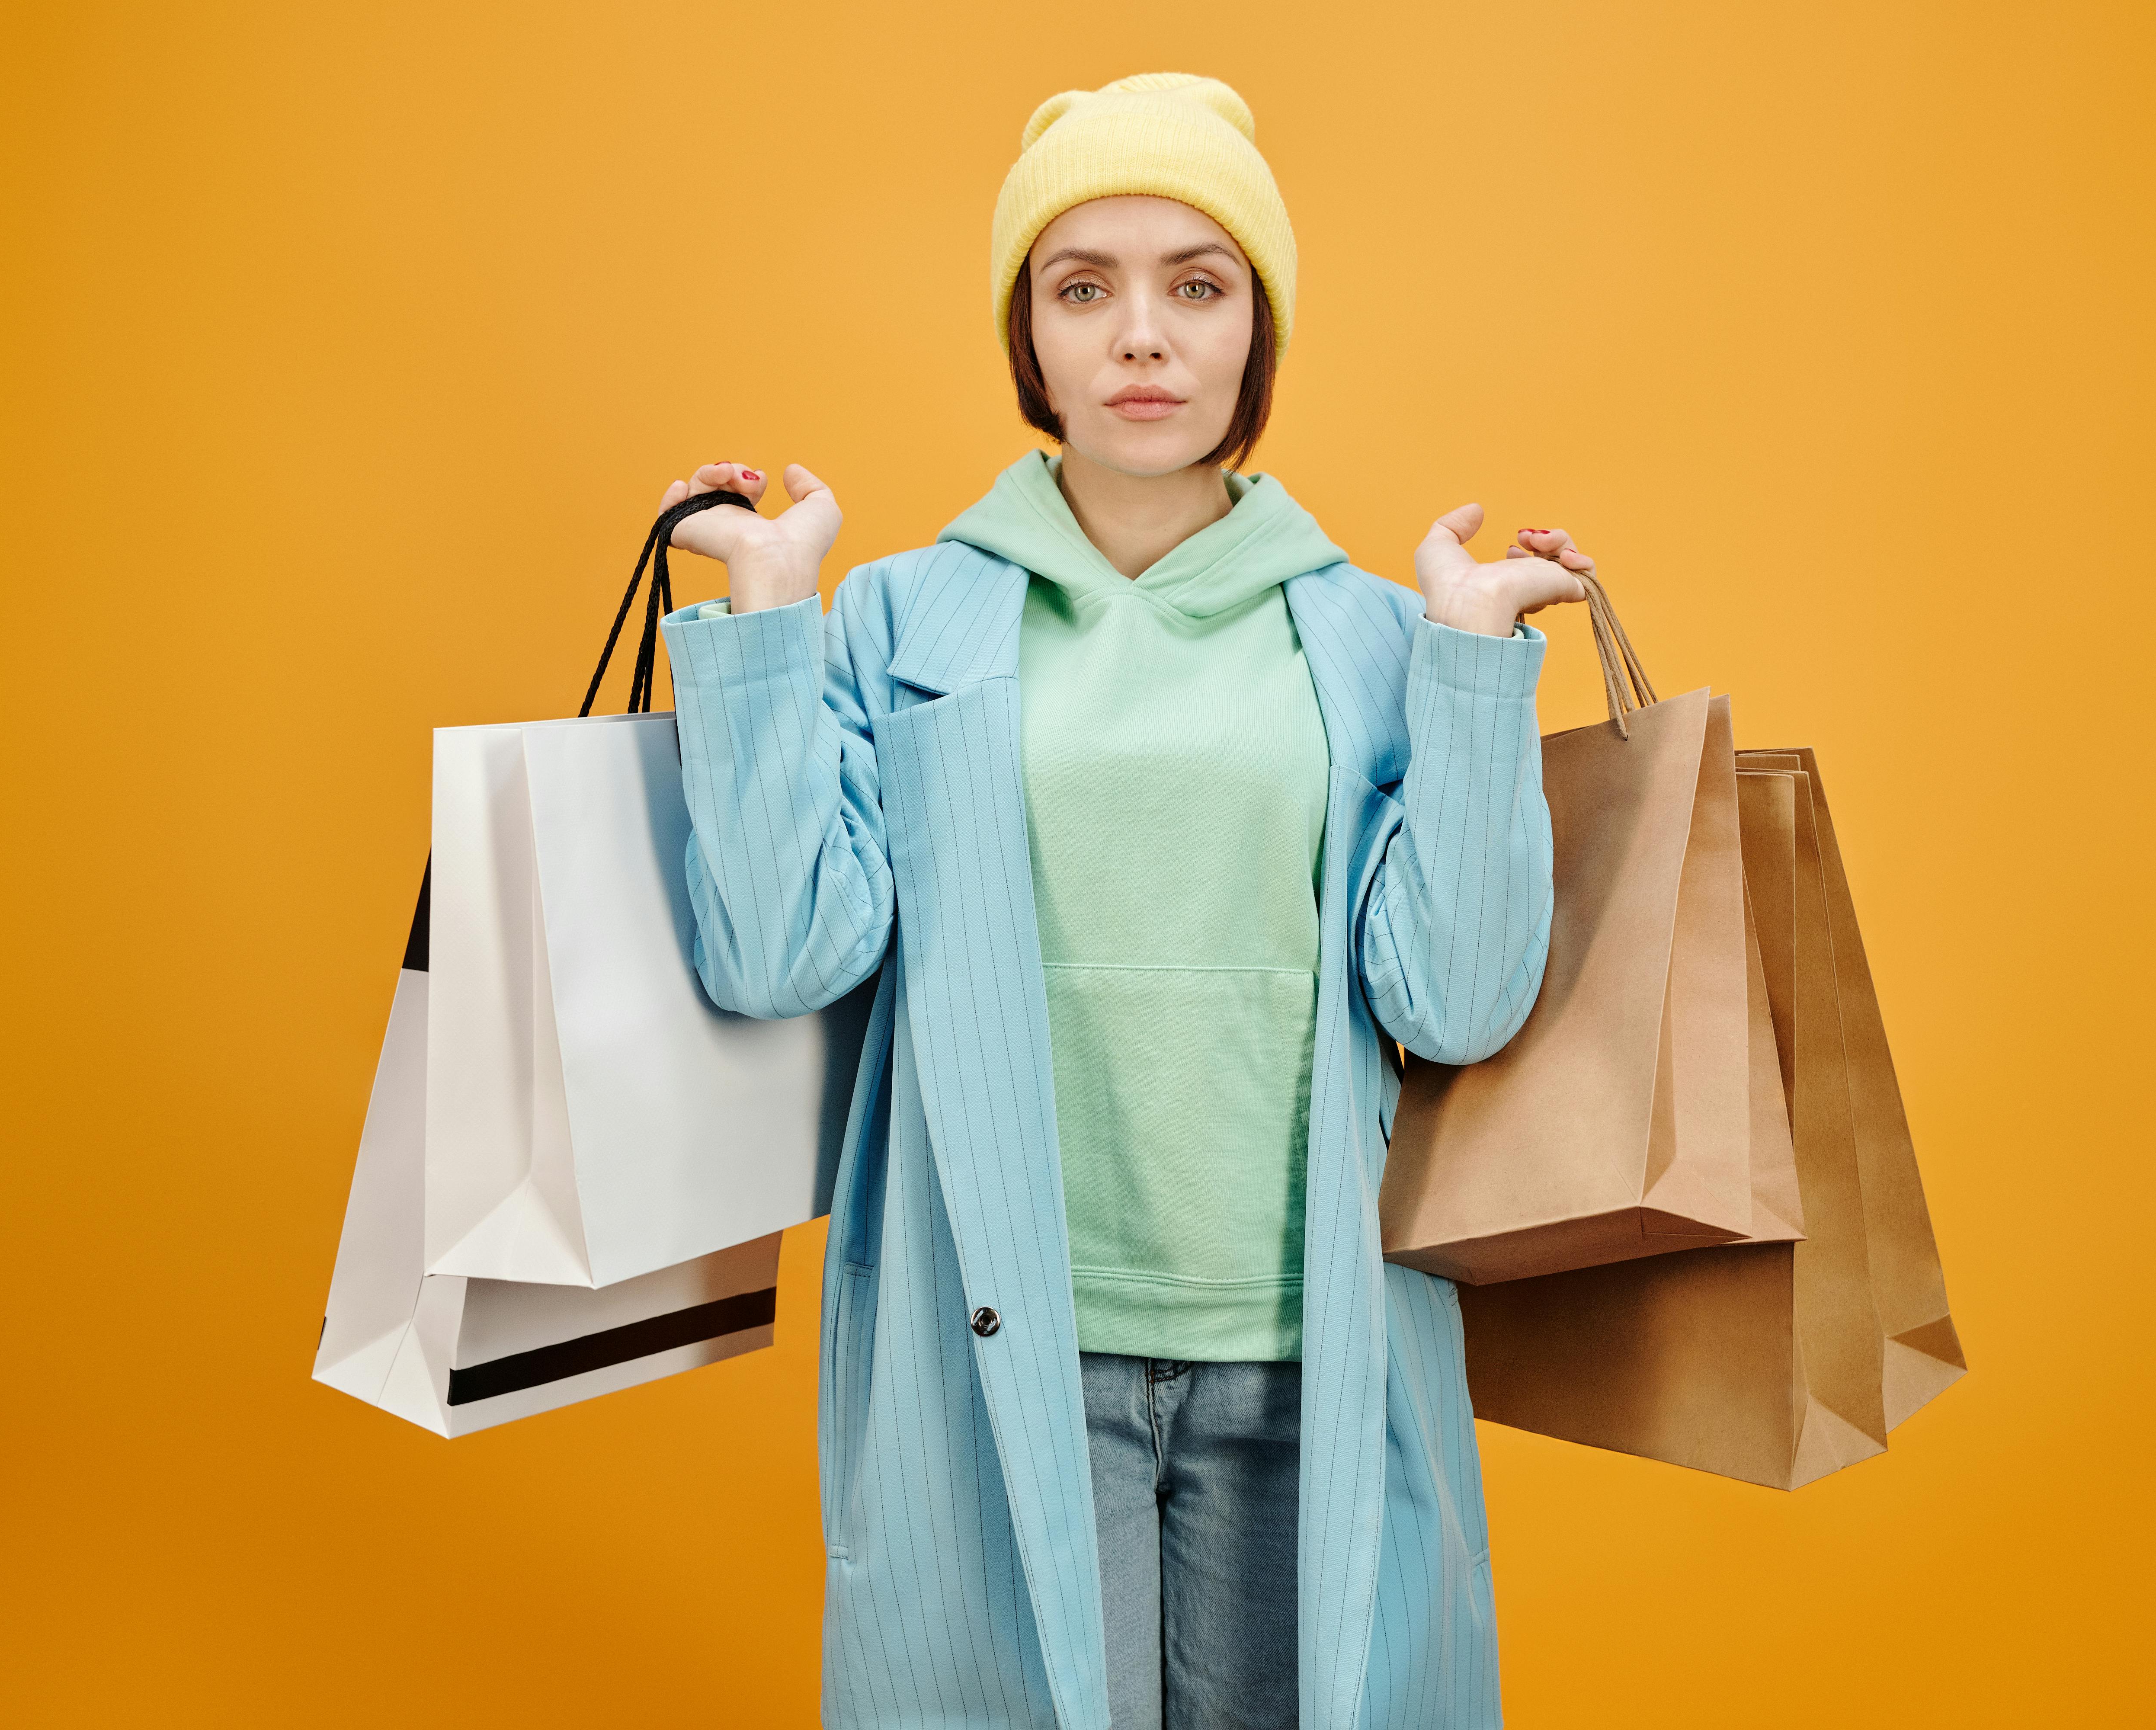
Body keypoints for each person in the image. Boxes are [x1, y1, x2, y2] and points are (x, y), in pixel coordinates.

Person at [654, 72, 1589, 1730]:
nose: (1141, 337)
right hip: (997, 1344)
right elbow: (783, 952)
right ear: (1032, 338)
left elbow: (1459, 999)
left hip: (1309, 1352)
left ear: (1256, 336)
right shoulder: (903, 621)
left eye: (1197, 285)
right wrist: (772, 619)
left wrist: (1470, 670)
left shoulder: (1376, 636)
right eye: (1084, 287)